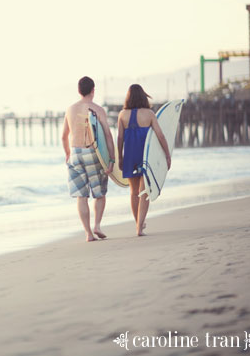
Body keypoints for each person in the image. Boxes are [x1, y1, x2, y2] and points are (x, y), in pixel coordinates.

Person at [62, 76, 115, 242]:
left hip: (75, 153)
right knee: (99, 194)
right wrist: (111, 159)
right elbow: (107, 135)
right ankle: (97, 226)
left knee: (81, 196)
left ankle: (88, 234)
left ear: (79, 91)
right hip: (93, 152)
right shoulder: (98, 110)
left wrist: (67, 154)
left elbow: (64, 136)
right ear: (93, 90)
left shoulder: (70, 110)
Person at [117, 84, 171, 237]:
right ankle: (139, 227)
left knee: (134, 192)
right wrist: (167, 154)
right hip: (146, 156)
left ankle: (138, 225)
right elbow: (160, 136)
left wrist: (120, 157)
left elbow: (120, 138)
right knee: (144, 191)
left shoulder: (122, 115)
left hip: (130, 155)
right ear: (143, 96)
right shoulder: (149, 114)